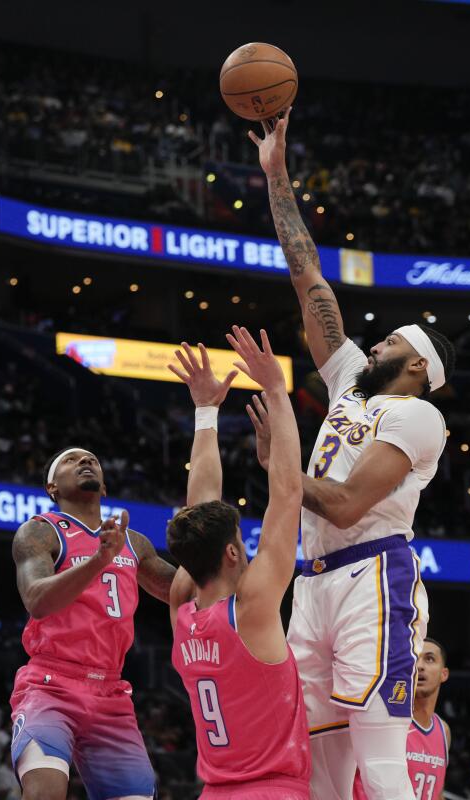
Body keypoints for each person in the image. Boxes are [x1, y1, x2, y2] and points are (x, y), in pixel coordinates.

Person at [249, 108, 455, 800]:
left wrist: (281, 463)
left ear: (417, 366)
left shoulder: (418, 416)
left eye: (390, 342)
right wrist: (278, 177)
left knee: (380, 756)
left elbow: (343, 501)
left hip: (373, 577)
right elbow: (307, 275)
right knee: (320, 770)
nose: (372, 346)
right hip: (311, 582)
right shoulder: (346, 381)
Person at [166, 331, 310, 799]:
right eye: (239, 542)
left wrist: (206, 410)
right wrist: (275, 391)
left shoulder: (182, 603)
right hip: (271, 790)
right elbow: (288, 494)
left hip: (214, 790)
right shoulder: (252, 606)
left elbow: (200, 505)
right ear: (231, 553)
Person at [8, 437, 182, 800]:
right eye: (71, 460)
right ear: (52, 487)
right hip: (51, 683)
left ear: (104, 485)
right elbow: (36, 600)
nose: (85, 462)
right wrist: (98, 561)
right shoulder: (40, 531)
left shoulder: (133, 542)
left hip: (111, 692)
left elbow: (179, 591)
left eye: (92, 460)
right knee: (45, 792)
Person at [352, 639, 451, 800]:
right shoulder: (384, 718)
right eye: (414, 658)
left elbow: (437, 793)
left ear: (444, 674)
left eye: (429, 659)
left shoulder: (443, 730)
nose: (419, 666)